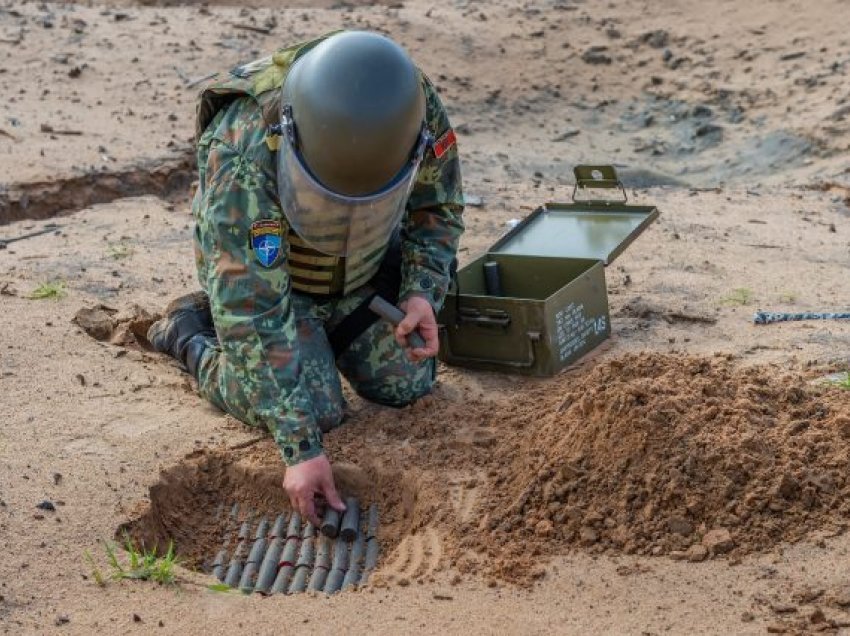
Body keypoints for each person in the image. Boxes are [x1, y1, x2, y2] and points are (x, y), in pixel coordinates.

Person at [147, 31, 464, 525]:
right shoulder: (241, 151)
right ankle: (190, 334)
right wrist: (299, 451)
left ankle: (327, 335)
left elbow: (437, 205)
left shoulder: (407, 107)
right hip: (278, 290)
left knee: (408, 383)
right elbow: (252, 308)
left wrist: (422, 292)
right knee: (315, 413)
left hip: (362, 271)